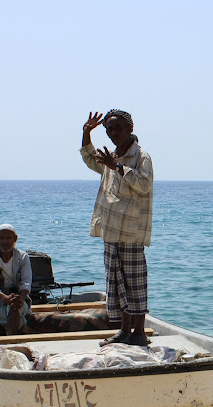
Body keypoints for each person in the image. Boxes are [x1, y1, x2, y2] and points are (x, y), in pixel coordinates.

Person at [80, 109, 154, 346]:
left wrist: (118, 168)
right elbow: (91, 159)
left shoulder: (141, 157)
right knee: (116, 283)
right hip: (111, 230)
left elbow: (144, 185)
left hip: (132, 232)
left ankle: (139, 332)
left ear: (129, 129)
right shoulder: (110, 156)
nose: (113, 133)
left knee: (135, 283)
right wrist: (86, 133)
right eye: (109, 129)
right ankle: (124, 330)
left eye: (117, 128)